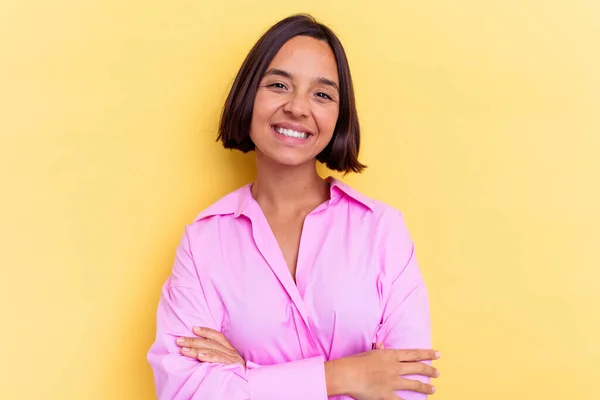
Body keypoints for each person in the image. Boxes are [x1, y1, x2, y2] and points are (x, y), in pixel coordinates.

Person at [147, 14, 440, 400]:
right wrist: (340, 377)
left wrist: (244, 376)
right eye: (279, 85)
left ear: (340, 115)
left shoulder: (383, 230)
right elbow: (185, 391)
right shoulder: (203, 243)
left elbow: (408, 390)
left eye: (322, 94)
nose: (298, 108)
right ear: (248, 95)